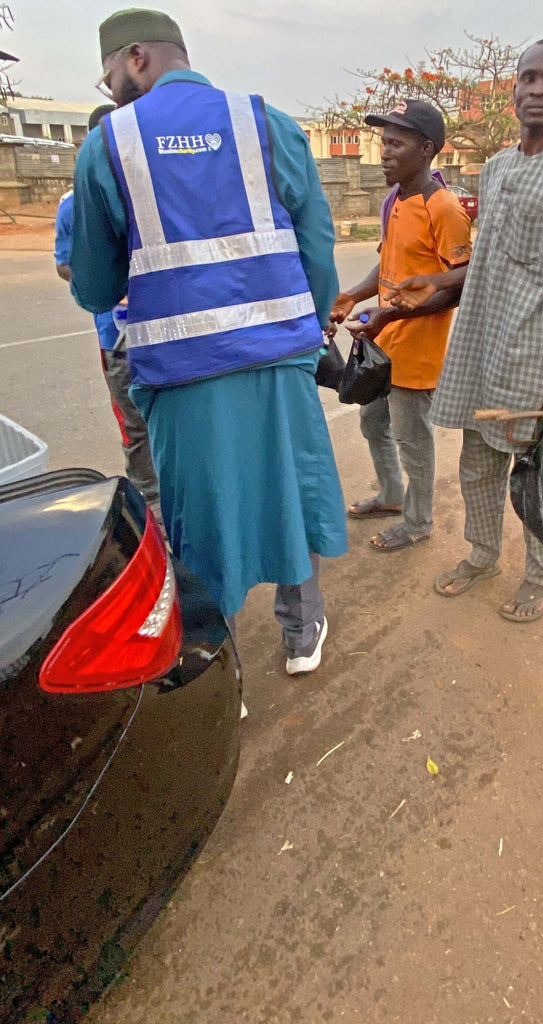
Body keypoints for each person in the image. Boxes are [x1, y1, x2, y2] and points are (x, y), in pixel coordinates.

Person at [70, 8, 347, 674]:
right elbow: (317, 246)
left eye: (110, 73)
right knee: (289, 490)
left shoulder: (108, 146)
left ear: (135, 57)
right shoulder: (268, 124)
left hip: (181, 372)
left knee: (198, 516)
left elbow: (97, 289)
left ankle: (217, 659)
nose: (110, 89)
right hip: (279, 359)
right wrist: (304, 332)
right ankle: (302, 631)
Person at [388, 39, 543, 620]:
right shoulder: (496, 169)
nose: (539, 88)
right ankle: (483, 554)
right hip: (481, 346)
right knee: (476, 464)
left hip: (538, 355)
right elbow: (483, 264)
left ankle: (542, 574)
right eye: (529, 78)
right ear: (513, 92)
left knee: (538, 473)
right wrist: (431, 284)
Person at [330, 100, 471, 552]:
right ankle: (392, 495)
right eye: (383, 142)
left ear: (426, 149)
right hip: (383, 344)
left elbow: (462, 282)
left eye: (396, 143)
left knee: (413, 439)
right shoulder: (395, 200)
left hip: (418, 350)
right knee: (373, 424)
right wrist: (355, 295)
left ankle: (418, 521)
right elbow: (388, 266)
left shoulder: (443, 208)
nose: (384, 153)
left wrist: (394, 313)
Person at [54, 103, 161, 514]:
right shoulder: (74, 205)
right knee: (136, 429)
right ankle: (150, 507)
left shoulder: (152, 187)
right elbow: (65, 264)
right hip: (116, 338)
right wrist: (106, 282)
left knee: (174, 420)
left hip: (167, 329)